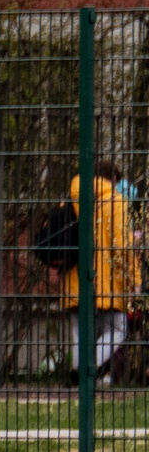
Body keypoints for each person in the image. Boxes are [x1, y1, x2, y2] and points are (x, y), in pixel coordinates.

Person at [62, 158, 139, 379]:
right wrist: (134, 278)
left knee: (80, 331)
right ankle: (89, 367)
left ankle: (77, 372)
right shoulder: (116, 201)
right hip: (107, 280)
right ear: (112, 178)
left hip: (75, 275)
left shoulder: (71, 196)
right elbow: (121, 246)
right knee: (117, 329)